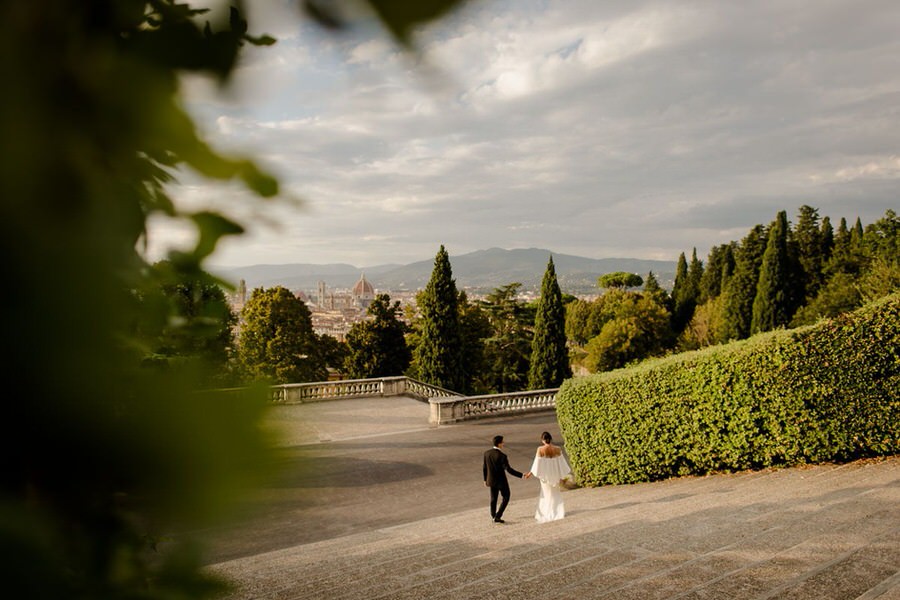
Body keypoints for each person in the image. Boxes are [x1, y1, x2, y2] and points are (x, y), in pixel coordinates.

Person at [483, 435, 531, 523]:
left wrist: (485, 480)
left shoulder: (487, 453)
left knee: (493, 499)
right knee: (506, 496)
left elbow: (485, 468)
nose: (504, 443)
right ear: (499, 444)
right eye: (502, 442)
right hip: (501, 481)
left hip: (491, 480)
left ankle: (493, 515)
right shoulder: (502, 456)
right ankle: (498, 516)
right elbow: (509, 470)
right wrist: (522, 475)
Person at [529, 431, 572, 523]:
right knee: (555, 493)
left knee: (546, 494)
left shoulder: (540, 449)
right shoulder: (557, 449)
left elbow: (537, 464)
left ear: (542, 440)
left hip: (545, 476)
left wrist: (530, 473)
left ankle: (546, 512)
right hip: (555, 475)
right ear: (551, 439)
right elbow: (562, 463)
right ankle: (558, 511)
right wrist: (563, 475)